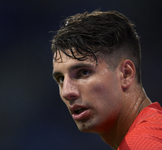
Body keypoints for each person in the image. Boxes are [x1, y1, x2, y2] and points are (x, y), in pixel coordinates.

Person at [51, 10, 162, 150]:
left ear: (126, 74)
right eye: (60, 79)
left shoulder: (143, 144)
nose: (67, 92)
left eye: (84, 72)